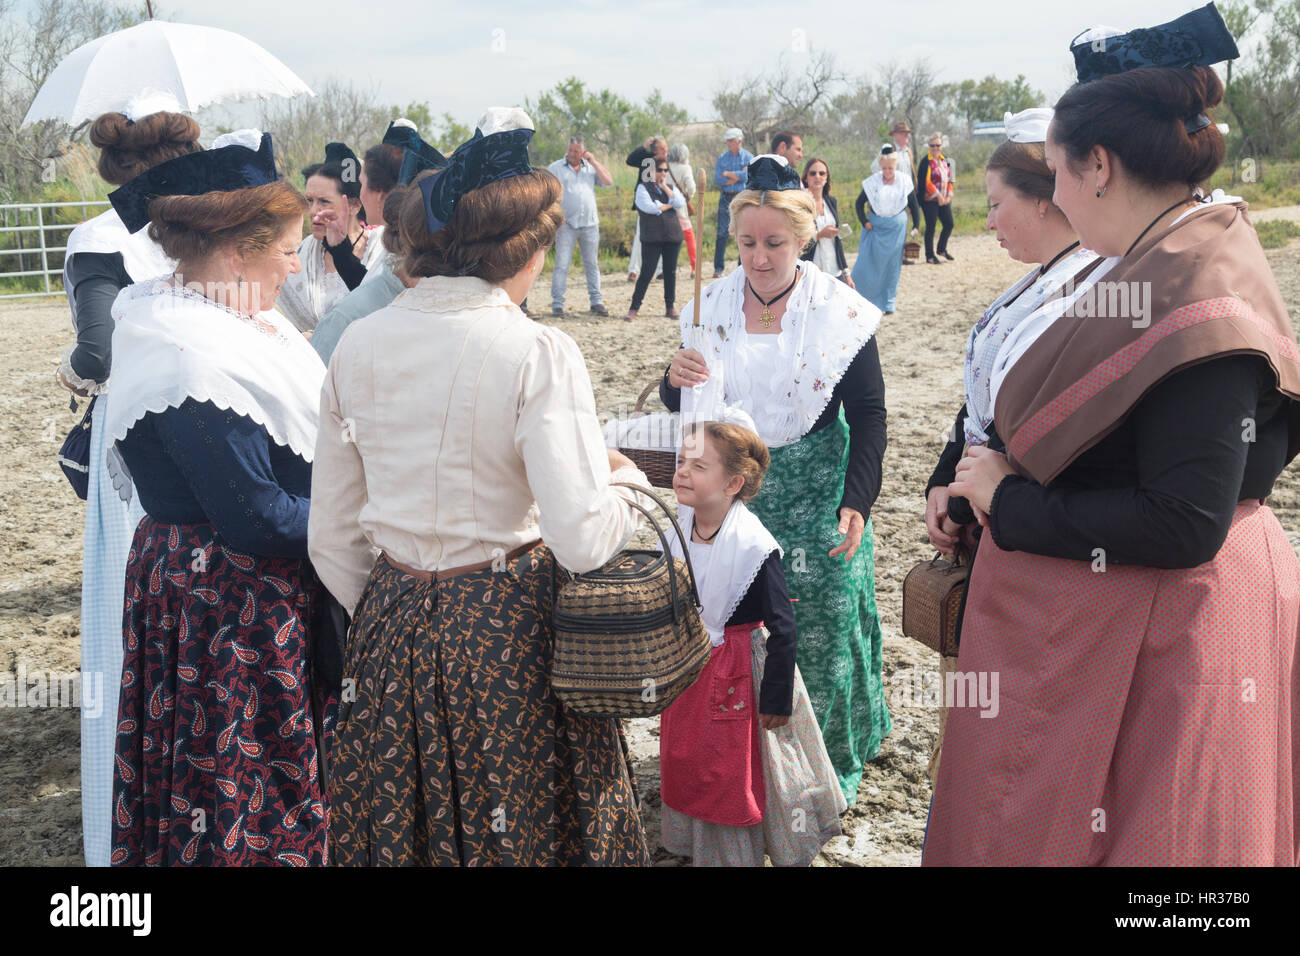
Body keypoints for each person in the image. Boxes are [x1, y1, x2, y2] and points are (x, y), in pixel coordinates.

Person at [925, 5, 1300, 866]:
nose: (1051, 194)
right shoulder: (1173, 251)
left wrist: (1008, 501)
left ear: (1097, 165)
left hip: (1175, 631)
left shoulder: (1190, 278)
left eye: (1053, 171)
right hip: (1141, 619)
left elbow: (1185, 521)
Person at [309, 108, 651, 866]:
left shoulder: (357, 342)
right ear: (524, 253)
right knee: (524, 826)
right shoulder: (536, 350)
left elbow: (331, 537)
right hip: (511, 632)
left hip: (388, 625)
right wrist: (624, 488)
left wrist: (401, 598)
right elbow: (582, 538)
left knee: (410, 827)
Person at [102, 130, 333, 865]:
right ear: (236, 251)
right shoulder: (185, 348)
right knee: (238, 789)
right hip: (225, 605)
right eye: (288, 250)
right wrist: (363, 517)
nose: (295, 266)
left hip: (236, 593)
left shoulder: (227, 317)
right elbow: (256, 517)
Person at [661, 155, 891, 805]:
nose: (759, 258)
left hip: (820, 480)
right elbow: (686, 406)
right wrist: (670, 379)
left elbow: (869, 412)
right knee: (735, 627)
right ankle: (745, 760)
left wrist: (858, 501)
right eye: (747, 243)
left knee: (823, 619)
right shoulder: (709, 306)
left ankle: (831, 760)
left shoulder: (839, 312)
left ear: (806, 238)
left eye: (775, 244)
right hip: (735, 487)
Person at [921, 107, 1097, 788]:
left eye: (997, 205)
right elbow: (980, 402)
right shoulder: (1040, 277)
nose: (988, 222)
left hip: (1018, 526)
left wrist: (964, 504)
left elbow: (1023, 422)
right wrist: (944, 480)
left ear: (1046, 199)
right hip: (984, 509)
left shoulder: (1084, 286)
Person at [56, 102, 200, 868]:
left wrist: (67, 375)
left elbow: (98, 348)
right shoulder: (199, 223)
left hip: (136, 445)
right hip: (208, 436)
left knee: (123, 636)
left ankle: (125, 833)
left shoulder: (100, 237)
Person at [659, 417, 847, 866]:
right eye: (682, 462)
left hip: (747, 672)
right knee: (697, 760)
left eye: (699, 466)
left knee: (740, 766)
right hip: (691, 666)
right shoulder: (677, 530)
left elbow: (783, 625)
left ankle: (745, 851)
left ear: (733, 483)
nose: (682, 472)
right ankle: (704, 844)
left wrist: (777, 697)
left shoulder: (753, 546)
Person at [311, 131, 449, 362]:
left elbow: (378, 294)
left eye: (362, 184)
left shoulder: (347, 320)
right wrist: (342, 251)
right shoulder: (408, 252)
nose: (360, 194)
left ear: (384, 195)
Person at [277, 142, 386, 332]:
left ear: (354, 205)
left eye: (324, 202)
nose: (313, 212)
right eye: (309, 201)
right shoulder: (300, 254)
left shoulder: (382, 251)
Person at [548, 135, 612, 316]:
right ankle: (557, 304)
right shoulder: (555, 168)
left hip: (590, 224)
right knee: (561, 264)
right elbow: (548, 192)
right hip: (566, 225)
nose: (572, 154)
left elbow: (608, 182)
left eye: (576, 151)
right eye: (570, 150)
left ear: (583, 151)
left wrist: (594, 161)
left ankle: (596, 302)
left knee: (592, 264)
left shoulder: (591, 168)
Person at [851, 146, 920, 313]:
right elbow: (859, 204)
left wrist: (916, 225)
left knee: (892, 267)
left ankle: (888, 303)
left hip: (896, 229)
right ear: (880, 166)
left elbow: (914, 205)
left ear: (895, 166)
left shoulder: (904, 181)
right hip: (875, 228)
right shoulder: (873, 182)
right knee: (866, 264)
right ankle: (860, 298)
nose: (887, 171)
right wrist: (864, 221)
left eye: (890, 168)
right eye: (884, 168)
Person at [627, 155, 684, 321]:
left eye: (665, 170)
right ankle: (634, 307)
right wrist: (665, 205)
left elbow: (680, 202)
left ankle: (670, 306)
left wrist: (666, 189)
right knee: (647, 272)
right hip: (652, 237)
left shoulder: (670, 188)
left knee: (670, 272)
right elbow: (648, 207)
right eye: (660, 170)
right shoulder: (642, 188)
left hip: (672, 236)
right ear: (651, 171)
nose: (663, 173)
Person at [872, 120, 922, 263]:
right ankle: (891, 255)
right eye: (903, 133)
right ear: (895, 135)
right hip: (892, 194)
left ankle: (901, 255)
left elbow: (911, 172)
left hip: (907, 193)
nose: (906, 136)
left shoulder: (908, 152)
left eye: (907, 133)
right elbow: (875, 167)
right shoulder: (889, 150)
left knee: (904, 224)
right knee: (893, 225)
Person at [798, 156, 852, 286]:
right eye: (813, 173)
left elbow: (837, 241)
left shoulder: (831, 202)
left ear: (827, 177)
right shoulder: (801, 204)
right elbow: (799, 244)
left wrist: (846, 273)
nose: (817, 176)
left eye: (822, 173)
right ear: (806, 177)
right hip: (812, 270)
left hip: (835, 269)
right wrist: (819, 235)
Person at [626, 135, 668, 283]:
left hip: (662, 204)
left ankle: (661, 270)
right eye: (662, 148)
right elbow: (630, 160)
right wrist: (643, 147)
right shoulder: (647, 159)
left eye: (666, 147)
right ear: (655, 149)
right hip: (645, 204)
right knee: (640, 237)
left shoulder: (666, 162)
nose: (665, 150)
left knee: (663, 236)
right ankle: (633, 270)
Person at [712, 128, 753, 278]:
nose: (728, 143)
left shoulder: (749, 157)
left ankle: (742, 266)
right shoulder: (722, 158)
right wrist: (738, 175)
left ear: (739, 141)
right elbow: (718, 178)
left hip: (743, 197)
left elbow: (749, 175)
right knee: (722, 233)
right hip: (726, 197)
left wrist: (729, 174)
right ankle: (718, 268)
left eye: (731, 141)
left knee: (744, 232)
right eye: (727, 141)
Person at [916, 133, 955, 264]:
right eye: (932, 145)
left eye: (938, 145)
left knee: (949, 224)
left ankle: (941, 249)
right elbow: (926, 182)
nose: (935, 148)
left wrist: (949, 194)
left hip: (944, 199)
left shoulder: (946, 161)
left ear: (941, 146)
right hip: (929, 200)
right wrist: (937, 195)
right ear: (929, 146)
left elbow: (950, 179)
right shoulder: (925, 161)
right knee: (931, 227)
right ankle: (929, 255)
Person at [667, 143, 698, 275]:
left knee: (667, 239)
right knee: (689, 237)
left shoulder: (665, 167)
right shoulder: (686, 168)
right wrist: (688, 197)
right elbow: (691, 187)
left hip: (665, 208)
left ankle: (665, 269)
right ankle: (694, 267)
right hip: (680, 208)